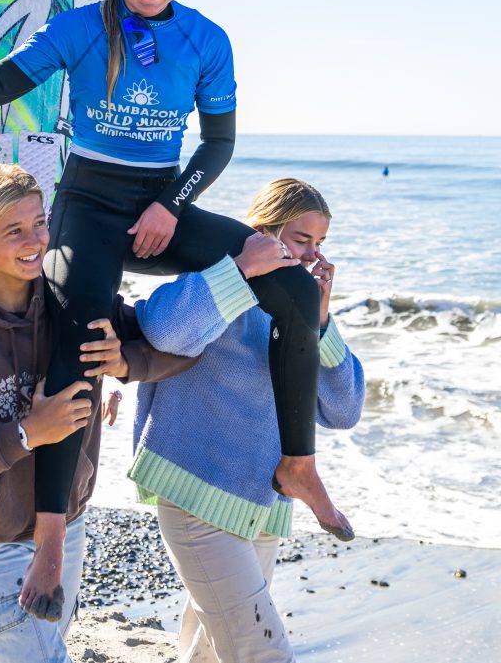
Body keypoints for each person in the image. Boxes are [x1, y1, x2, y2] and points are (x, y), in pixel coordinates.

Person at [0, 0, 350, 618]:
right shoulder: (78, 30)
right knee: (81, 338)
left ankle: (298, 461)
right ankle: (51, 535)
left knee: (291, 289)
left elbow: (217, 144)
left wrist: (171, 207)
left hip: (163, 203)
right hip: (88, 204)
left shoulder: (205, 39)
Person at [0, 164, 197, 656]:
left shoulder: (76, 305)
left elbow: (182, 345)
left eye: (40, 223)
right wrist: (26, 432)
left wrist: (126, 361)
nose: (34, 240)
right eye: (13, 230)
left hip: (69, 525)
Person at [130, 178, 366, 663]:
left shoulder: (303, 311)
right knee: (263, 650)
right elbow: (163, 330)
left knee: (212, 651)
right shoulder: (216, 283)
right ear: (262, 232)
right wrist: (238, 272)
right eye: (301, 241)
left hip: (262, 506)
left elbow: (342, 412)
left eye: (320, 245)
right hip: (197, 493)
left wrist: (319, 324)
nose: (311, 257)